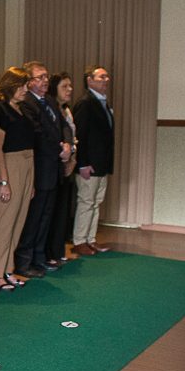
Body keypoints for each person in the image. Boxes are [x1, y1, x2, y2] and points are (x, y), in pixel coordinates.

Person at [14, 61, 70, 278]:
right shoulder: (27, 103)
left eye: (46, 76)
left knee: (46, 216)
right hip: (39, 168)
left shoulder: (49, 101)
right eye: (39, 77)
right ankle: (24, 262)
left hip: (53, 168)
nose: (45, 81)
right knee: (34, 217)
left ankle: (39, 258)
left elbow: (63, 126)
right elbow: (38, 135)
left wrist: (67, 144)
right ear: (28, 81)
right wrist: (60, 149)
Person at [0, 67, 34, 292]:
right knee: (3, 222)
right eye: (21, 85)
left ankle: (7, 269)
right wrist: (4, 181)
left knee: (18, 220)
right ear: (10, 85)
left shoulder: (22, 109)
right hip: (9, 166)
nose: (25, 89)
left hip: (27, 164)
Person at [72, 65, 114, 255]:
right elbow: (81, 134)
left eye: (107, 77)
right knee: (86, 202)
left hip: (101, 163)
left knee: (96, 202)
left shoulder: (103, 103)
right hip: (88, 164)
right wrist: (82, 163)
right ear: (89, 80)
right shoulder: (85, 103)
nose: (106, 80)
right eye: (101, 77)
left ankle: (90, 239)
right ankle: (79, 240)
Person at [46, 72, 78, 264]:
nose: (69, 90)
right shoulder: (50, 107)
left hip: (68, 162)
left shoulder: (66, 110)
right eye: (64, 86)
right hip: (54, 163)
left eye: (70, 86)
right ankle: (49, 253)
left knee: (63, 210)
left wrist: (72, 157)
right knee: (52, 211)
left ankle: (58, 251)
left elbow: (70, 134)